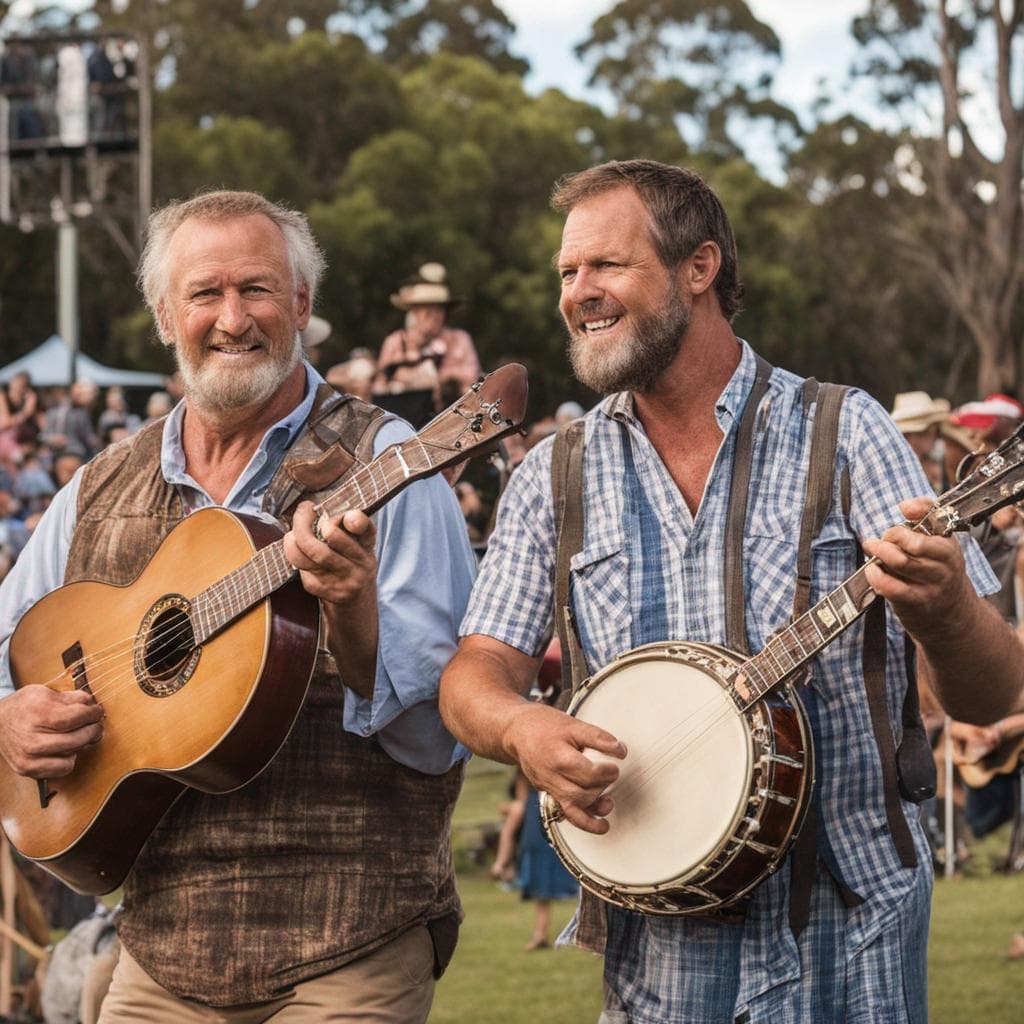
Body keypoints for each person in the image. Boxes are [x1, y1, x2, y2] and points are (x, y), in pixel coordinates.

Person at [439, 159, 1024, 1023]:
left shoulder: (845, 428)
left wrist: (942, 609)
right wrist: (521, 726)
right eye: (568, 273)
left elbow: (993, 690)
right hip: (656, 956)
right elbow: (471, 675)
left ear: (698, 268)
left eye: (606, 266)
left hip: (848, 933)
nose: (578, 292)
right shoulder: (553, 475)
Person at [0, 190, 477, 1022]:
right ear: (163, 315)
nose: (232, 318)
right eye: (204, 293)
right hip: (158, 950)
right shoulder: (100, 484)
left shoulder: (391, 462)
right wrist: (6, 719)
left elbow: (437, 737)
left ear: (301, 305)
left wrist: (351, 611)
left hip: (350, 945)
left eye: (256, 289)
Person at [376, 262, 481, 405]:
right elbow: (379, 385)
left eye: (439, 310)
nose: (434, 316)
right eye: (427, 311)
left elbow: (471, 381)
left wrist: (443, 381)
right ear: (414, 312)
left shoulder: (460, 340)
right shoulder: (395, 342)